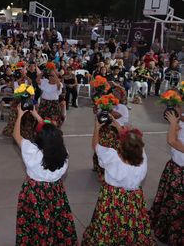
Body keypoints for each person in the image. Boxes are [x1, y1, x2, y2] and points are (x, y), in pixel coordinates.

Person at [82, 118, 155, 245]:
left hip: (112, 197)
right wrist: (119, 126)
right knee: (132, 221)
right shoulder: (142, 158)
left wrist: (97, 128)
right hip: (133, 197)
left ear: (120, 148)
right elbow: (134, 144)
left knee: (108, 221)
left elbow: (96, 146)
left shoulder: (112, 157)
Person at [13, 105, 77, 245]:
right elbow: (51, 133)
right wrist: (37, 115)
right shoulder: (63, 153)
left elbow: (16, 135)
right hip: (55, 191)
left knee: (35, 220)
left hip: (34, 192)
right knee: (56, 219)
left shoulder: (32, 153)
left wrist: (20, 115)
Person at [149, 111, 184, 245]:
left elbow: (172, 140)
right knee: (170, 201)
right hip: (175, 167)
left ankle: (173, 233)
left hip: (180, 173)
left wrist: (173, 123)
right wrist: (176, 123)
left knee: (176, 204)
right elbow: (176, 132)